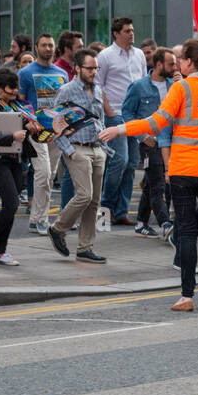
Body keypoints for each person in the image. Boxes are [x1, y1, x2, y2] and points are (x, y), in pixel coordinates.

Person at [102, 38, 198, 310]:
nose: (179, 64)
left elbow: (156, 122)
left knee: (186, 233)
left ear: (189, 62)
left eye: (181, 59)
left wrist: (120, 129)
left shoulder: (181, 88)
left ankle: (187, 296)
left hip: (185, 168)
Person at [48, 47, 112, 263]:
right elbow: (55, 124)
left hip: (97, 148)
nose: (94, 72)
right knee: (84, 195)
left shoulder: (99, 89)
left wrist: (103, 143)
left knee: (94, 201)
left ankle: (85, 248)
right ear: (77, 68)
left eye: (96, 68)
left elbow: (99, 118)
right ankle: (58, 229)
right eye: (89, 68)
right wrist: (70, 151)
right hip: (77, 148)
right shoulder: (66, 90)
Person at [0, 68, 41, 266]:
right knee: (12, 203)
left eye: (16, 87)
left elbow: (21, 130)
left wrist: (29, 128)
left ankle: (2, 251)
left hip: (16, 159)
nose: (15, 91)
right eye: (11, 87)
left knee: (10, 207)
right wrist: (11, 137)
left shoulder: (16, 107)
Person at [97, 17, 148, 226]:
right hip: (115, 113)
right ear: (116, 34)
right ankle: (106, 209)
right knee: (120, 160)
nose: (131, 34)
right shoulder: (105, 56)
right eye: (127, 31)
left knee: (132, 163)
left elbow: (144, 82)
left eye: (132, 30)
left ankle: (121, 211)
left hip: (135, 116)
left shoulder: (139, 54)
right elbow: (99, 86)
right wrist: (109, 111)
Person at [121, 46, 174, 238]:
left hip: (170, 143)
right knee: (158, 184)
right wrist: (141, 136)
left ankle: (141, 223)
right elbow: (126, 113)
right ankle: (166, 223)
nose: (175, 67)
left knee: (153, 184)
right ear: (159, 64)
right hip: (149, 143)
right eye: (171, 64)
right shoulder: (138, 86)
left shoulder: (175, 85)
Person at [18, 32, 68, 234]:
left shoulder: (62, 74)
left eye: (51, 45)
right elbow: (19, 102)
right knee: (43, 172)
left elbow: (64, 103)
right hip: (36, 131)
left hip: (56, 131)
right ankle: (42, 219)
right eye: (44, 45)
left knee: (50, 175)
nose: (48, 48)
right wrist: (28, 122)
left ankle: (36, 218)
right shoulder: (25, 73)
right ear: (36, 47)